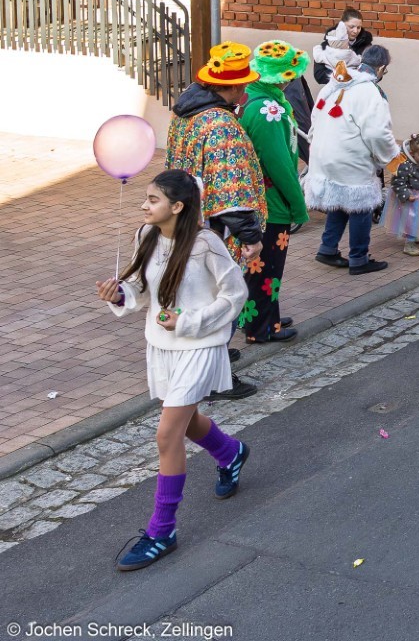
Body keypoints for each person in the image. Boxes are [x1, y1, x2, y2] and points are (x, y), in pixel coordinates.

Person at [97, 170, 251, 571]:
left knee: (167, 433)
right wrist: (119, 294)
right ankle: (231, 452)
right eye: (145, 198)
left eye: (153, 200)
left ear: (178, 206)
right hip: (163, 347)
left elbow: (235, 295)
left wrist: (189, 322)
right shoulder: (145, 236)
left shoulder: (207, 244)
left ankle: (162, 531)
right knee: (186, 421)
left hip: (200, 345)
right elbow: (139, 289)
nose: (144, 205)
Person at [165, 42, 266, 399]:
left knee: (197, 295)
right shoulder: (220, 125)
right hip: (214, 231)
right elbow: (230, 193)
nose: (246, 88)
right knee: (222, 299)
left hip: (186, 222)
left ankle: (211, 354)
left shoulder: (185, 111)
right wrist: (251, 236)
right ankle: (211, 375)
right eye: (244, 83)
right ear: (234, 87)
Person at [238, 40, 310, 343]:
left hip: (262, 200)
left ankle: (263, 316)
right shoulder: (268, 111)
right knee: (266, 268)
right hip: (271, 203)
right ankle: (262, 327)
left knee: (262, 267)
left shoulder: (257, 99)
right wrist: (298, 204)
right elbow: (280, 164)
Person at [305, 49, 401, 275]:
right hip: (349, 156)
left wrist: (315, 143)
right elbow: (377, 133)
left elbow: (315, 117)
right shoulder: (370, 91)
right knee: (361, 204)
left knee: (338, 198)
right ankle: (359, 258)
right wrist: (390, 157)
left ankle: (328, 248)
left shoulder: (334, 83)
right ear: (381, 68)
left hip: (323, 153)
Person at [383, 131, 419, 256]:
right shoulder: (404, 164)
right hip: (409, 196)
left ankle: (415, 235)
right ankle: (409, 244)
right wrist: (406, 195)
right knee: (411, 219)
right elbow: (397, 182)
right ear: (412, 153)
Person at [314, 7, 372, 85]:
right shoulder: (326, 45)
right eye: (351, 27)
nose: (355, 31)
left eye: (358, 27)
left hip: (360, 89)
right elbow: (319, 76)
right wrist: (346, 76)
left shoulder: (366, 46)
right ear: (342, 25)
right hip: (337, 90)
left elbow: (373, 72)